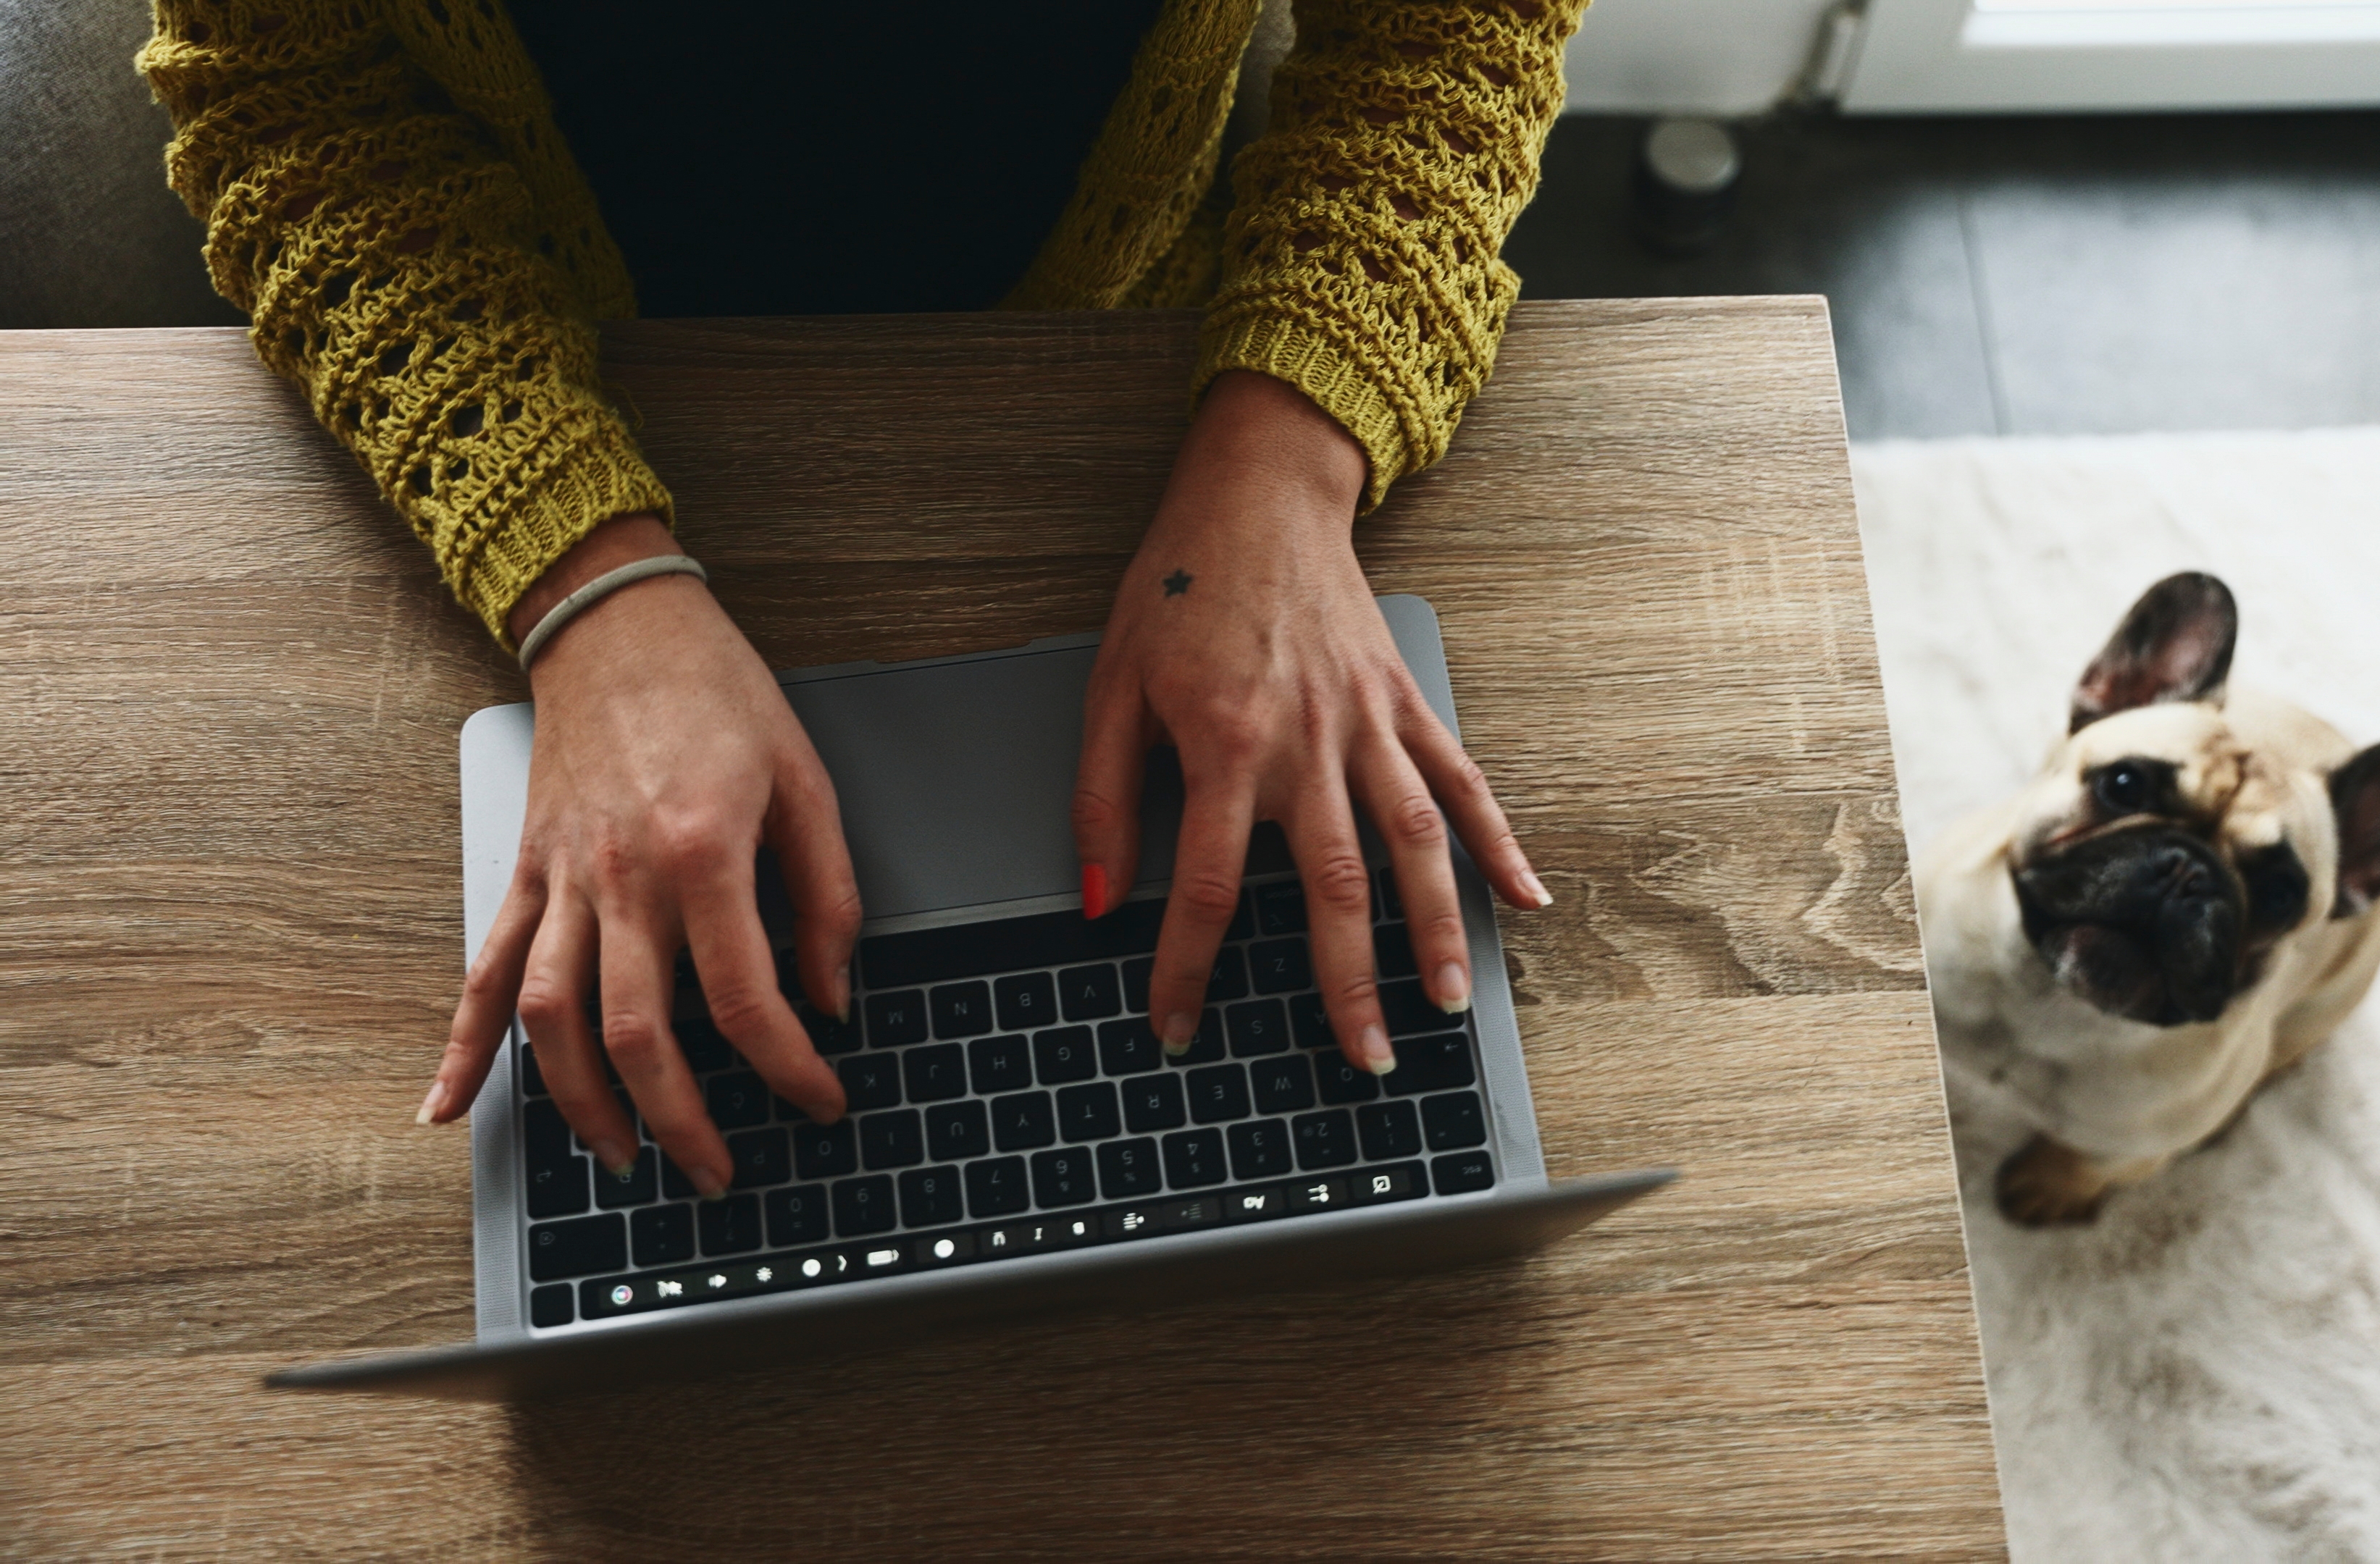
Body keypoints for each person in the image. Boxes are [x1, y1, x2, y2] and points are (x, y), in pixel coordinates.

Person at [138, 1, 1580, 1199]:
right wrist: (586, 579)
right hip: (555, 403)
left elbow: (1448, 24)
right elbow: (292, 96)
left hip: (1135, 418)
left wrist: (1282, 453)